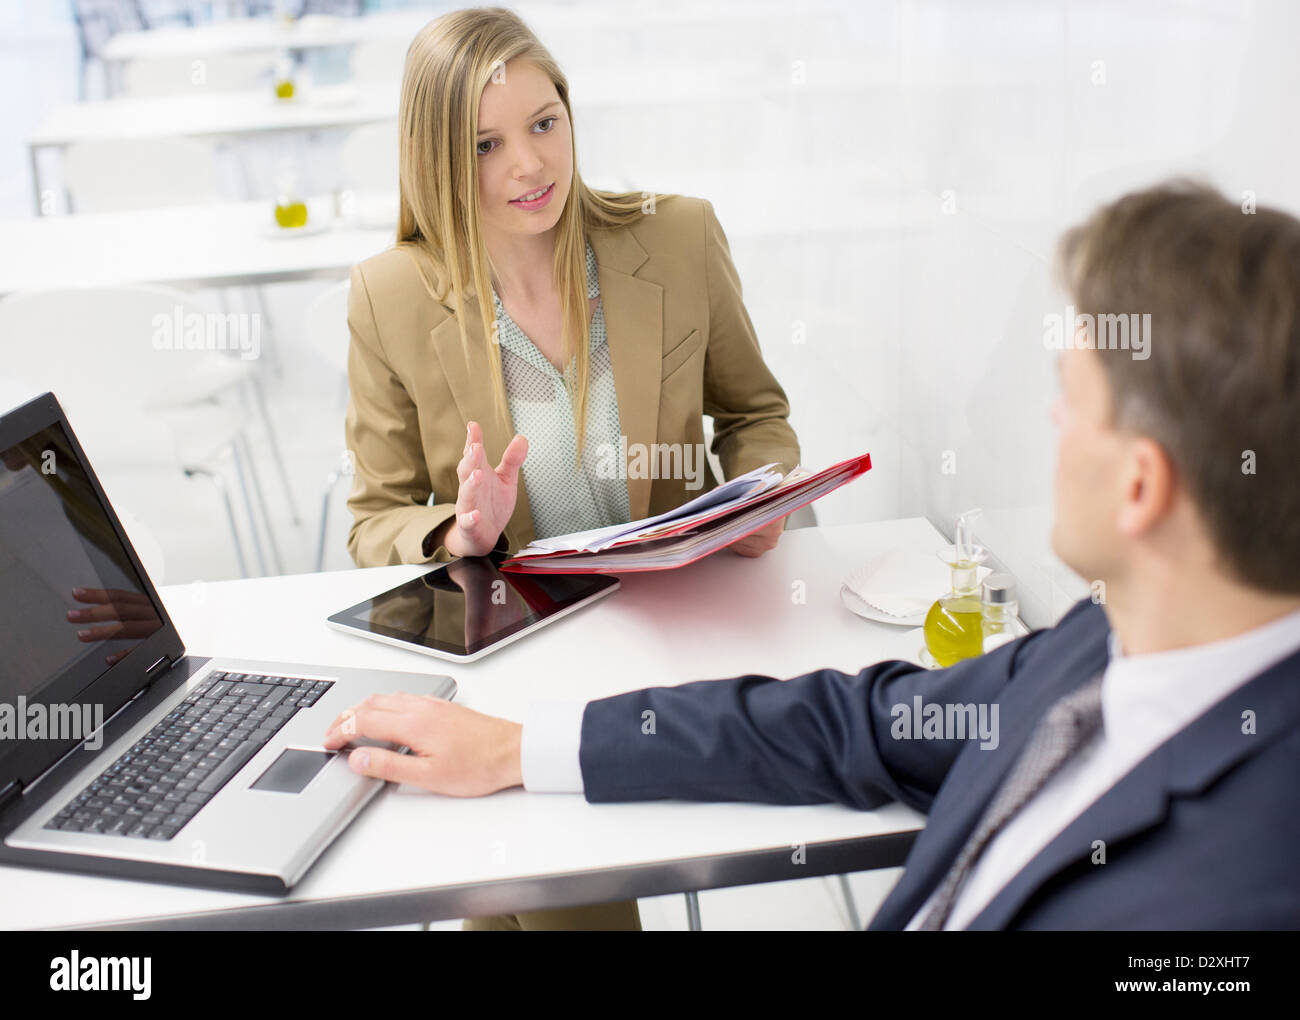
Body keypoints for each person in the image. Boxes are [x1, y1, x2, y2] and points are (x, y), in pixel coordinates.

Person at [327, 180, 1300, 929]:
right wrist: (518, 747)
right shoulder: (1104, 649)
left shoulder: (1237, 888)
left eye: (1072, 400)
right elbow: (850, 724)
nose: (1048, 419)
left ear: (1140, 486)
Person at [343, 8, 801, 929]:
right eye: (486, 143)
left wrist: (762, 502)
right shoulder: (390, 296)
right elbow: (372, 520)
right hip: (521, 653)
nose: (530, 165)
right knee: (532, 892)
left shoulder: (677, 237)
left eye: (544, 123)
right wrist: (458, 530)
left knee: (529, 894)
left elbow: (757, 416)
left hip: (676, 636)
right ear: (436, 156)